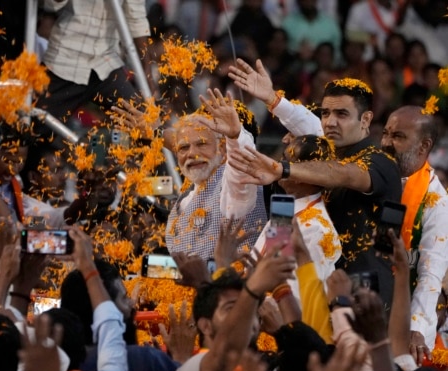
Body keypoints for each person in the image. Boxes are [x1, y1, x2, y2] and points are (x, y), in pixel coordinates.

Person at [228, 61, 402, 308]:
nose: (330, 122)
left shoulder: (380, 162)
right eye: (326, 113)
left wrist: (283, 169)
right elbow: (308, 126)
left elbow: (345, 174)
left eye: (342, 114)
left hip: (365, 297)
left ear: (366, 119)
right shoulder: (325, 154)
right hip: (311, 294)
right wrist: (272, 99)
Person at [171, 248, 296, 371]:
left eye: (249, 310)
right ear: (205, 326)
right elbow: (226, 348)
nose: (246, 317)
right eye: (232, 309)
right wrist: (252, 290)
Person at [165, 90, 267, 262]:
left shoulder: (234, 186)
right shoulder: (187, 195)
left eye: (202, 144)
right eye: (183, 148)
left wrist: (235, 137)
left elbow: (239, 167)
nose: (192, 154)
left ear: (222, 148)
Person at [381, 105, 448, 361]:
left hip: (407, 329)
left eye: (398, 137)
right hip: (370, 312)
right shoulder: (375, 176)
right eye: (386, 133)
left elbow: (430, 274)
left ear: (423, 146)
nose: (386, 142)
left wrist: (416, 328)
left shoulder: (436, 202)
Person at [252, 134, 341, 301]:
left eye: (286, 161)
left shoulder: (315, 228)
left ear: (305, 174)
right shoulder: (286, 211)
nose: (278, 165)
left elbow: (297, 295)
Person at [36, 0, 153, 124]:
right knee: (31, 127)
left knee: (143, 122)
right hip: (66, 61)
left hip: (106, 62)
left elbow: (136, 18)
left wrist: (147, 68)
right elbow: (49, 4)